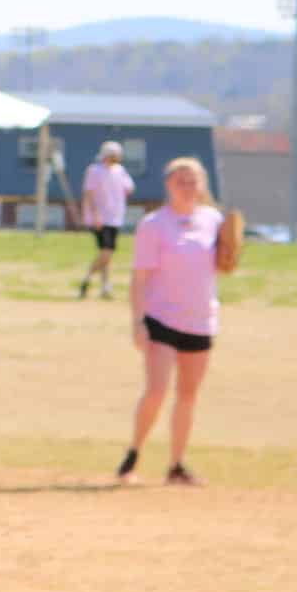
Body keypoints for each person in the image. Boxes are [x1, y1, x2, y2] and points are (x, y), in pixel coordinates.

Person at [117, 156, 225, 486]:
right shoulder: (154, 224)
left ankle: (176, 464)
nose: (188, 187)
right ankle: (133, 454)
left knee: (188, 395)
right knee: (157, 390)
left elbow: (219, 266)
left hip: (200, 319)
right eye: (181, 180)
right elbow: (139, 278)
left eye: (193, 180)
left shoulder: (213, 220)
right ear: (168, 185)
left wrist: (231, 253)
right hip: (162, 317)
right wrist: (138, 321)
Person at [75, 140, 132, 299]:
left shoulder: (120, 171)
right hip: (100, 218)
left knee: (106, 253)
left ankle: (105, 286)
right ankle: (86, 279)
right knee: (106, 251)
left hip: (115, 217)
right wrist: (95, 215)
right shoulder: (94, 171)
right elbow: (89, 193)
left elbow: (129, 187)